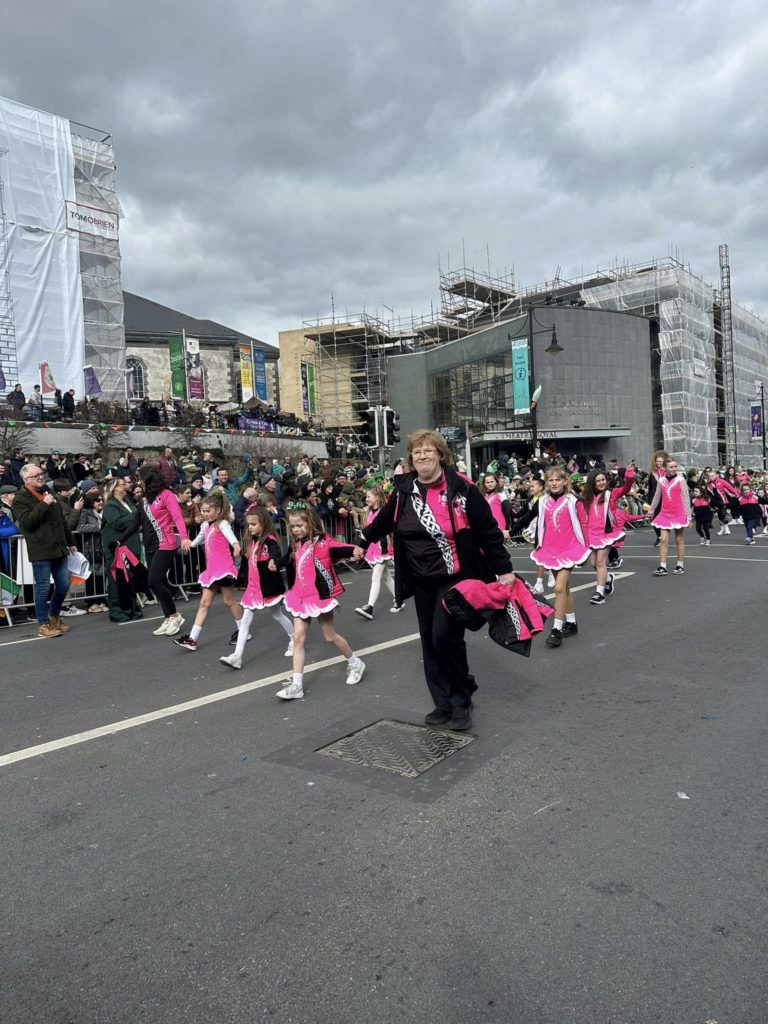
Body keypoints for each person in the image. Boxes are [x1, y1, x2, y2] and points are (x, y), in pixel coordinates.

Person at [354, 430, 513, 731]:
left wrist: (503, 569)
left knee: (444, 636)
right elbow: (385, 520)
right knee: (429, 641)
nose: (422, 456)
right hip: (420, 578)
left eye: (428, 450)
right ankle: (442, 702)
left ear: (441, 454)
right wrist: (363, 540)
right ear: (411, 459)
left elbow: (487, 531)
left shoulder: (461, 489)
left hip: (454, 577)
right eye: (416, 452)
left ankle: (461, 698)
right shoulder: (404, 491)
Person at [278, 503, 364, 701]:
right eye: (292, 526)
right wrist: (275, 564)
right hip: (299, 597)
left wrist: (356, 550)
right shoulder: (296, 545)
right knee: (298, 638)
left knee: (329, 636)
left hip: (319, 597)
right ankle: (297, 684)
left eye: (299, 525)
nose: (295, 529)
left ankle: (355, 662)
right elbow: (287, 560)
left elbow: (341, 548)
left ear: (310, 523)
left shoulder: (323, 542)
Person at [118, 466, 190, 636]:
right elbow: (136, 522)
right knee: (161, 583)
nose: (138, 482)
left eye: (140, 479)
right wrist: (120, 539)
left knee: (154, 581)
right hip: (150, 545)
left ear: (149, 479)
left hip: (166, 543)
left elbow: (177, 517)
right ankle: (168, 617)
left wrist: (185, 537)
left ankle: (175, 615)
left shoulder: (167, 495)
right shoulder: (144, 499)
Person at [220, 505, 294, 670]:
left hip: (267, 587)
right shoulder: (251, 541)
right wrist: (240, 579)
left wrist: (273, 561)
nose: (250, 527)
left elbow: (274, 554)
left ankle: (294, 638)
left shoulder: (270, 541)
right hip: (253, 589)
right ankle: (237, 656)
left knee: (278, 616)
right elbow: (248, 565)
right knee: (245, 622)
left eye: (253, 524)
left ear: (263, 523)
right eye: (249, 524)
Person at [172, 490, 244, 652]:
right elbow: (198, 541)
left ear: (218, 510)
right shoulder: (205, 526)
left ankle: (243, 631)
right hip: (212, 571)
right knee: (204, 603)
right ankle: (192, 639)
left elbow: (231, 537)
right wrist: (188, 543)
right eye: (203, 511)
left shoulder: (223, 524)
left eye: (208, 511)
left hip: (224, 569)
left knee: (229, 601)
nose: (205, 514)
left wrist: (236, 546)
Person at [13, 464, 78, 637]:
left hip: (58, 547)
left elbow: (62, 521)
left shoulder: (49, 494)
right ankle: (43, 624)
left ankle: (54, 616)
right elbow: (26, 523)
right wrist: (43, 504)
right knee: (42, 587)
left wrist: (70, 541)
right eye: (36, 476)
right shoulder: (20, 498)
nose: (41, 477)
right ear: (26, 480)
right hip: (40, 549)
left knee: (63, 584)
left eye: (41, 474)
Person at [531, 466, 590, 648]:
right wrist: (510, 531)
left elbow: (584, 524)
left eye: (558, 479)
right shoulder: (542, 501)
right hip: (550, 550)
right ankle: (571, 623)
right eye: (551, 480)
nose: (554, 483)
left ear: (565, 481)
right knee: (565, 589)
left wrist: (586, 549)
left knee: (558, 588)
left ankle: (556, 630)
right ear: (546, 483)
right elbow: (528, 517)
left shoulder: (574, 501)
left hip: (570, 549)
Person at [581, 465, 636, 605]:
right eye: (598, 480)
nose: (601, 483)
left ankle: (599, 593)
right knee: (593, 563)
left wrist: (629, 478)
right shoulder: (586, 498)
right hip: (591, 535)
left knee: (600, 561)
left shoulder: (610, 494)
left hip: (606, 534)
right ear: (592, 482)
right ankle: (607, 578)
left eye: (603, 480)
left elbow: (626, 489)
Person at [101, 476, 145, 622]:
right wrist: (135, 515)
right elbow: (117, 524)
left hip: (131, 546)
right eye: (122, 484)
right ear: (115, 488)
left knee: (130, 580)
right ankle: (118, 611)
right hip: (116, 549)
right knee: (117, 581)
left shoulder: (127, 501)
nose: (126, 486)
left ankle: (132, 609)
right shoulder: (110, 505)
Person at [354, 484, 400, 620]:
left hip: (383, 548)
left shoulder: (383, 513)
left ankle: (369, 607)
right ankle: (399, 599)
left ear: (377, 499)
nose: (366, 499)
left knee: (376, 577)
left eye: (369, 497)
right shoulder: (368, 512)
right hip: (373, 549)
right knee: (386, 577)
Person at [649, 457, 691, 576]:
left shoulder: (680, 479)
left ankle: (680, 565)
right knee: (663, 540)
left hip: (678, 513)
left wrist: (688, 516)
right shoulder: (661, 480)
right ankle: (663, 567)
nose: (673, 469)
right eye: (671, 467)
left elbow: (685, 498)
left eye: (674, 466)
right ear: (665, 468)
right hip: (665, 514)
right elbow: (657, 496)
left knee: (679, 539)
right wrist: (651, 511)